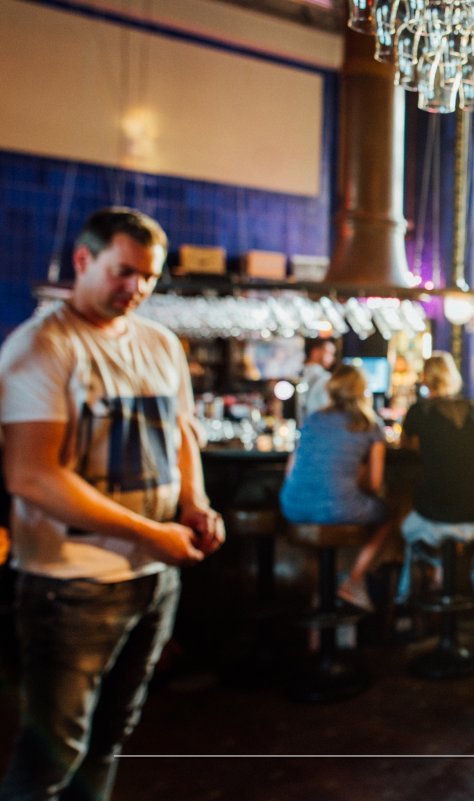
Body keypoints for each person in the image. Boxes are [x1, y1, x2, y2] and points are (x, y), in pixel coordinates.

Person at [0, 207, 225, 801]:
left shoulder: (160, 343)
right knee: (51, 754)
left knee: (109, 738)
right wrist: (150, 534)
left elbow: (181, 434)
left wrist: (195, 503)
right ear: (83, 260)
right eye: (124, 272)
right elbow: (31, 475)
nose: (138, 288)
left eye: (148, 276)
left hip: (153, 578)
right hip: (71, 584)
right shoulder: (42, 346)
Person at [280, 364, 393, 612]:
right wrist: (352, 480)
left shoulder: (313, 418)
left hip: (293, 505)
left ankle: (320, 594)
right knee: (386, 516)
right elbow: (374, 485)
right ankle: (352, 581)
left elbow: (290, 471)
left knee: (319, 536)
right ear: (363, 391)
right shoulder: (369, 425)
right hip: (338, 508)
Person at [391, 352, 474, 616]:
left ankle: (418, 588)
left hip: (436, 513)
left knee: (403, 524)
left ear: (426, 378)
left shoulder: (419, 410)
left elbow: (406, 446)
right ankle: (455, 582)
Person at [297, 339, 336, 422]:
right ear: (315, 352)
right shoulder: (326, 378)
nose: (332, 358)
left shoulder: (296, 372)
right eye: (329, 353)